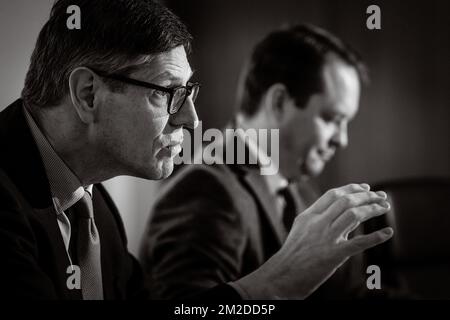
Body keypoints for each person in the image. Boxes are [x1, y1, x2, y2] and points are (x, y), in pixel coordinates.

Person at [0, 0, 392, 300]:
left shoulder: (94, 205)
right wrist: (275, 284)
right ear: (88, 94)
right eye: (170, 93)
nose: (192, 121)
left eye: (189, 94)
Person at [141, 24, 392, 299]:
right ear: (280, 101)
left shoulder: (300, 189)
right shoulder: (203, 189)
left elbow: (346, 294)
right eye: (332, 119)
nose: (342, 139)